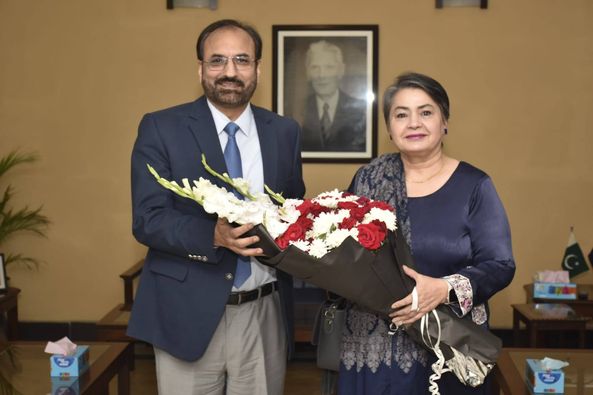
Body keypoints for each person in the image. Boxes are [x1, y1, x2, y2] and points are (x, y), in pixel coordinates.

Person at [128, 19, 305, 395]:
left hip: (264, 312)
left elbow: (293, 212)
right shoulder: (161, 127)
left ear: (258, 68)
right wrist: (214, 235)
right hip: (185, 312)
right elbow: (148, 219)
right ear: (200, 69)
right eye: (217, 61)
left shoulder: (285, 132)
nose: (229, 72)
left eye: (241, 60)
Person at [338, 72, 515, 395]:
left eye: (426, 112)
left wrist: (445, 288)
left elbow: (501, 264)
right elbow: (346, 255)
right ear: (390, 129)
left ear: (444, 121)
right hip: (373, 352)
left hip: (448, 347)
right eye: (401, 114)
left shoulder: (474, 186)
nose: (413, 123)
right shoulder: (368, 180)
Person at [300, 40, 366, 152]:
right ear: (308, 72)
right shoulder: (298, 110)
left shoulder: (359, 112)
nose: (322, 75)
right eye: (315, 67)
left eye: (329, 67)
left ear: (341, 70)